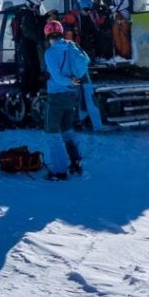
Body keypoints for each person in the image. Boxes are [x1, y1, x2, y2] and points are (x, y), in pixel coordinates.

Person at [42, 19, 90, 181]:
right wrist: (74, 81)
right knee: (67, 129)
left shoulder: (50, 53)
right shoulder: (71, 46)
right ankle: (76, 162)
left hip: (57, 96)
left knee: (52, 132)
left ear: (48, 34)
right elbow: (86, 60)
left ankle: (60, 170)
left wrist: (69, 81)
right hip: (72, 95)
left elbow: (57, 77)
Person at [17, 0, 45, 97]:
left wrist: (45, 17)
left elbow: (36, 23)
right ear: (31, 5)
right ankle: (31, 90)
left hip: (28, 44)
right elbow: (29, 31)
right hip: (28, 44)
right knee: (33, 66)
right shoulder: (27, 15)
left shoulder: (29, 14)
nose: (37, 9)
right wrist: (39, 39)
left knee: (30, 67)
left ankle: (27, 89)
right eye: (36, 7)